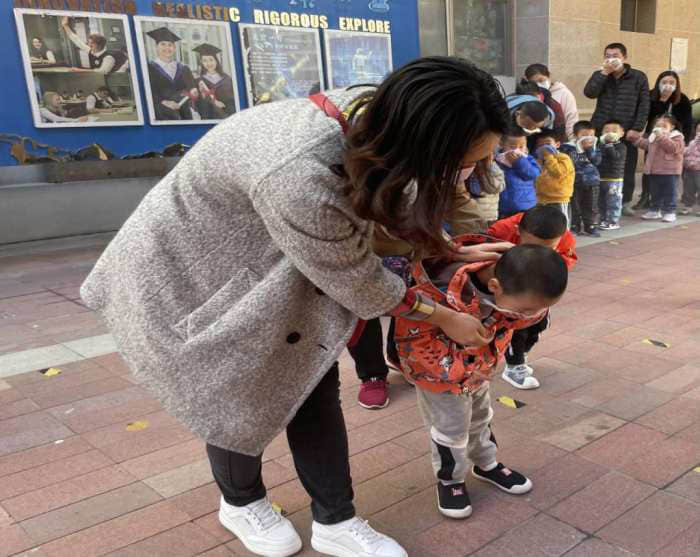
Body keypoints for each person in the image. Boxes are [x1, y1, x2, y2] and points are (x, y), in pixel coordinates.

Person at [79, 57, 512, 557]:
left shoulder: (370, 119)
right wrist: (443, 316)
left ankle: (335, 519)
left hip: (265, 267)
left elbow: (372, 215)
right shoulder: (299, 172)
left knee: (309, 380)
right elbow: (359, 282)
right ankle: (240, 501)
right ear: (420, 143)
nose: (468, 176)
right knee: (234, 392)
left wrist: (443, 247)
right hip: (193, 281)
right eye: (464, 163)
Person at [394, 243, 568, 517]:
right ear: (496, 286)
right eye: (527, 310)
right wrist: (461, 370)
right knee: (451, 428)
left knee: (480, 417)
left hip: (478, 370)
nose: (529, 317)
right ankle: (450, 480)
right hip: (441, 377)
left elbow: (508, 322)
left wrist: (487, 361)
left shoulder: (513, 291)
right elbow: (414, 343)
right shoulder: (435, 293)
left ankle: (486, 463)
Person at [350, 162, 513, 410]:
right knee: (369, 310)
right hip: (365, 256)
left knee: (411, 302)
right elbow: (398, 224)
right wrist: (445, 316)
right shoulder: (380, 175)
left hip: (414, 252)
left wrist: (471, 244)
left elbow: (463, 211)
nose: (469, 168)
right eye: (468, 159)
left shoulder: (445, 173)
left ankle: (401, 356)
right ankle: (372, 374)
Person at [489, 206, 576, 389]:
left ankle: (521, 354)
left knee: (539, 324)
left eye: (547, 249)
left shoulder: (565, 238)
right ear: (518, 231)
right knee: (514, 326)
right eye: (529, 246)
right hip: (512, 288)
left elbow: (566, 260)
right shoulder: (500, 231)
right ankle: (514, 365)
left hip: (538, 289)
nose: (538, 254)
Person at [584, 43, 650, 215]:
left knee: (626, 165)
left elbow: (644, 104)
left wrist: (637, 128)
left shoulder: (638, 77)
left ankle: (624, 201)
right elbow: (589, 93)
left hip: (626, 130)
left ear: (624, 58)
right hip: (601, 128)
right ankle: (597, 200)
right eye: (607, 55)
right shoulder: (601, 75)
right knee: (598, 163)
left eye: (615, 55)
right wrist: (604, 74)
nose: (611, 59)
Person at [635, 71, 693, 211]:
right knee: (650, 165)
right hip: (653, 135)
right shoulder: (650, 96)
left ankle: (666, 200)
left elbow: (687, 122)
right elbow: (644, 114)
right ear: (658, 83)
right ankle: (645, 196)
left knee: (668, 168)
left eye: (672, 83)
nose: (668, 85)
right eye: (664, 82)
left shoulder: (682, 99)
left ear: (676, 85)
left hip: (672, 137)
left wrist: (684, 142)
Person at [633, 114, 685, 223]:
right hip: (654, 170)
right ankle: (654, 210)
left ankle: (670, 212)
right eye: (658, 125)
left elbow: (673, 148)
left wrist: (661, 136)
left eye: (664, 125)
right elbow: (647, 145)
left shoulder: (677, 137)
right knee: (655, 192)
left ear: (672, 126)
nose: (660, 127)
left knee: (669, 192)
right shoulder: (653, 136)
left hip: (670, 171)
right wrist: (636, 140)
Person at [146, 27, 198, 121]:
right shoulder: (148, 68)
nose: (167, 48)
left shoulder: (184, 68)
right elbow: (148, 91)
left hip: (184, 113)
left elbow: (192, 88)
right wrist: (164, 102)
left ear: (174, 48)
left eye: (170, 45)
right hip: (161, 113)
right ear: (156, 47)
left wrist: (194, 91)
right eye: (163, 44)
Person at [561, 121, 602, 236]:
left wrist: (589, 149)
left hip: (592, 182)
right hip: (574, 182)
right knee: (575, 205)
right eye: (584, 135)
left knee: (591, 205)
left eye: (591, 135)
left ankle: (591, 226)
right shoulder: (567, 148)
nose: (588, 138)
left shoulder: (594, 148)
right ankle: (575, 226)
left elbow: (597, 161)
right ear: (575, 135)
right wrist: (579, 149)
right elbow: (569, 163)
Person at [525, 63, 579, 140]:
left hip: (557, 139)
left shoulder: (564, 93)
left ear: (548, 76)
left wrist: (572, 140)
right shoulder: (530, 95)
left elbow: (571, 119)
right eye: (534, 83)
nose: (539, 85)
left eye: (541, 80)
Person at [495, 126, 540, 218]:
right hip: (503, 206)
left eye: (521, 146)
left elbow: (533, 174)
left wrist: (519, 162)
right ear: (501, 145)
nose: (517, 150)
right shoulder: (497, 160)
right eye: (512, 147)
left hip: (526, 205)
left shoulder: (528, 159)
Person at [532, 129, 575, 225]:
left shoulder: (564, 158)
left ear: (557, 144)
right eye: (540, 145)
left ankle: (564, 239)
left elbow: (558, 173)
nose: (544, 148)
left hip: (558, 199)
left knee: (561, 224)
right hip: (541, 199)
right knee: (545, 225)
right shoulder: (538, 160)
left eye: (548, 144)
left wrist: (549, 157)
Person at [61, 16, 129, 74]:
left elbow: (102, 71)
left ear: (99, 45)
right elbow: (77, 41)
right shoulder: (92, 51)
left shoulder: (108, 57)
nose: (89, 45)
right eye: (89, 43)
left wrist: (79, 70)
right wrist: (65, 26)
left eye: (92, 43)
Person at [597, 120, 627, 231]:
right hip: (601, 177)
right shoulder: (600, 145)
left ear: (622, 133)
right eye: (606, 130)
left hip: (614, 178)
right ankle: (603, 219)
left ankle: (613, 221)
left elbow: (615, 157)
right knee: (602, 200)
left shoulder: (621, 146)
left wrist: (609, 144)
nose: (609, 133)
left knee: (613, 201)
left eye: (614, 130)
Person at [194, 43, 237, 120]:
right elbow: (197, 104)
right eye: (205, 60)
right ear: (201, 63)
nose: (208, 63)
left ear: (216, 61)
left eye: (211, 59)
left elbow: (233, 100)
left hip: (227, 117)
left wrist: (225, 106)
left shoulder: (227, 79)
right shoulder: (199, 81)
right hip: (208, 118)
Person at [681, 123, 700, 215]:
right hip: (689, 169)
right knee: (688, 188)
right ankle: (688, 206)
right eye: (698, 130)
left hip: (699, 170)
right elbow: (688, 151)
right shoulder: (692, 142)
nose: (699, 133)